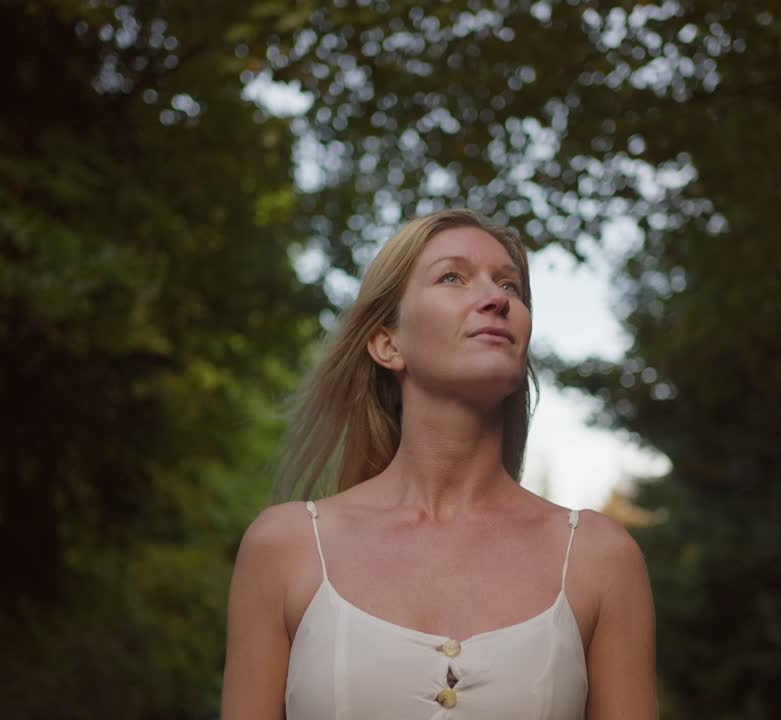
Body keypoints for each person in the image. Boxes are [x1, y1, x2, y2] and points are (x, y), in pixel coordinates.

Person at [219, 208, 657, 719]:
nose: (497, 299)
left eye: (511, 287)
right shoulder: (285, 547)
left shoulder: (600, 558)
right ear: (388, 343)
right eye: (452, 277)